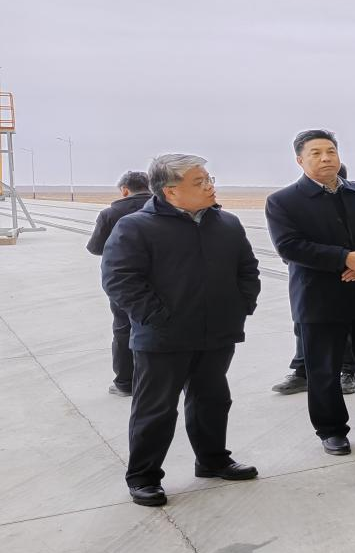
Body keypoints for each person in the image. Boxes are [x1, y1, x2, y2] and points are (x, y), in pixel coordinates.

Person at [101, 154, 260, 507]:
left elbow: (247, 270)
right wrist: (157, 317)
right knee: (156, 409)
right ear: (170, 191)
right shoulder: (135, 227)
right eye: (199, 182)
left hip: (217, 332)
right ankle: (143, 477)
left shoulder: (227, 224)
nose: (209, 186)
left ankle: (213, 460)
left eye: (209, 178)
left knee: (212, 401)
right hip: (162, 338)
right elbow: (120, 279)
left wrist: (240, 307)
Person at [264, 129, 355, 456]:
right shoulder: (283, 201)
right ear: (300, 160)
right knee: (323, 369)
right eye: (316, 153)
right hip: (319, 300)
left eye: (331, 151)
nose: (326, 158)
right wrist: (344, 258)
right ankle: (332, 430)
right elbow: (289, 246)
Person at [272, 165, 355, 397]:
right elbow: (289, 243)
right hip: (308, 279)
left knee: (345, 327)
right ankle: (302, 371)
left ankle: (347, 371)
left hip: (344, 275)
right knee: (303, 326)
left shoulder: (351, 204)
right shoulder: (297, 204)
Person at [87, 170, 153, 397]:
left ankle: (125, 383)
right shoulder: (165, 209)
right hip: (160, 279)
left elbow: (95, 248)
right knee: (158, 327)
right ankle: (160, 380)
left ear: (125, 190)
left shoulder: (110, 214)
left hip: (122, 282)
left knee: (124, 329)